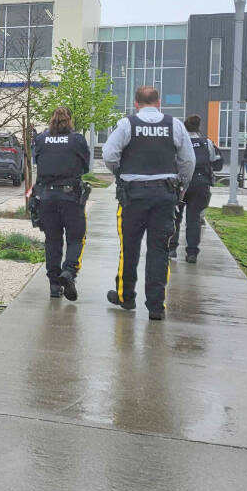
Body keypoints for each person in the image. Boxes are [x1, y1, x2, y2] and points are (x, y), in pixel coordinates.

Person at [101, 85, 195, 321]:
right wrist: (180, 186)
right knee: (159, 250)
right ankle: (156, 306)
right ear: (159, 102)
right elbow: (188, 161)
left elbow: (109, 154)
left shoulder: (127, 124)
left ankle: (126, 297)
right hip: (164, 196)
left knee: (129, 248)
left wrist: (121, 173)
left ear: (136, 103)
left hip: (133, 196)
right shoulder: (174, 125)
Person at [32, 106, 91, 301]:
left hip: (47, 196)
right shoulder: (77, 140)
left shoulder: (41, 139)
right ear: (70, 120)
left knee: (53, 240)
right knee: (75, 238)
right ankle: (69, 271)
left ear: (52, 120)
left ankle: (54, 285)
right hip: (71, 196)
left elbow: (37, 161)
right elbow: (85, 166)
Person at [169, 114, 223, 264]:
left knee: (175, 217)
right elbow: (216, 162)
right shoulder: (207, 143)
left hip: (180, 184)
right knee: (194, 219)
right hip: (200, 184)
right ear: (198, 127)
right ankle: (192, 253)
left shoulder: (178, 143)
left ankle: (172, 249)